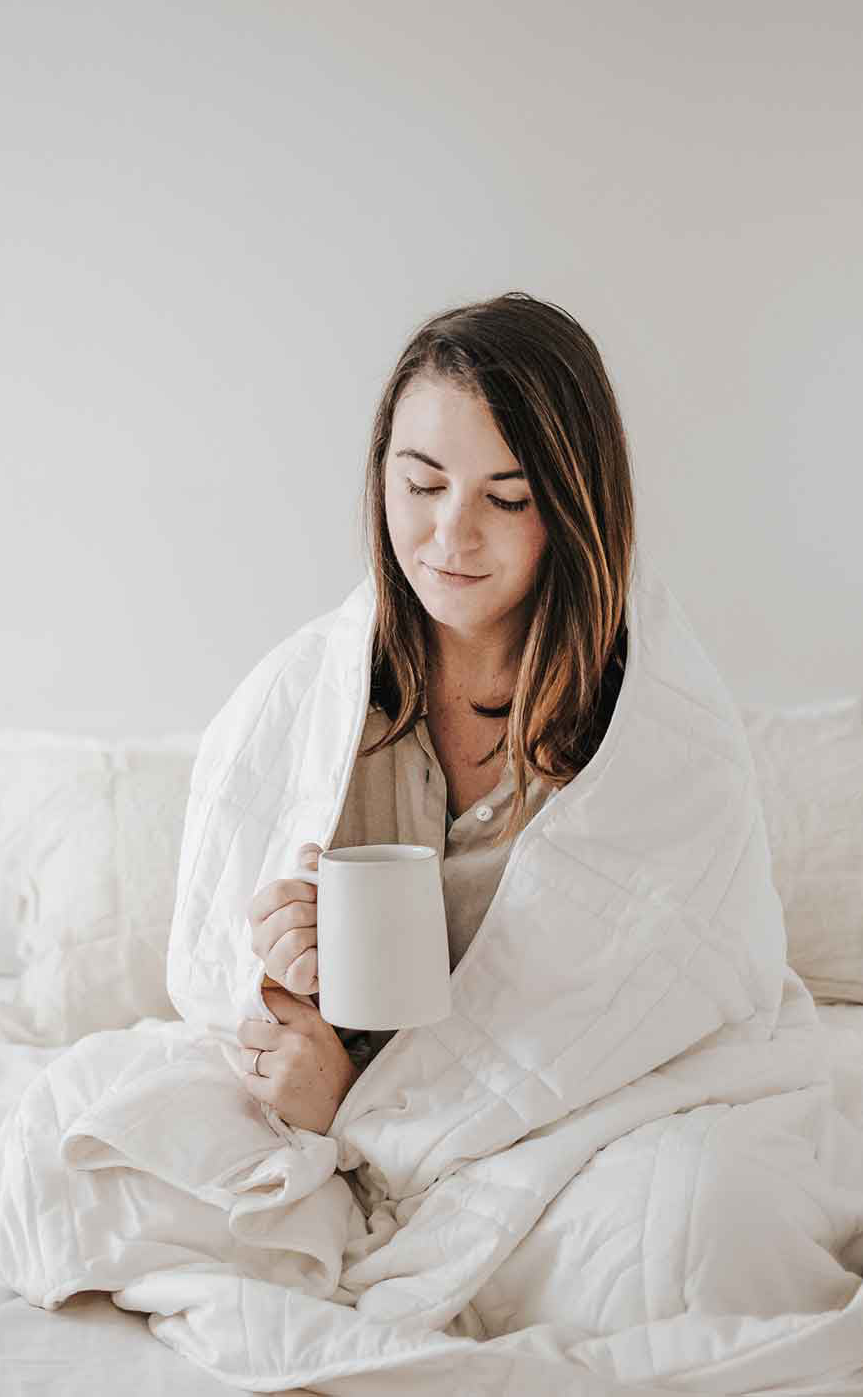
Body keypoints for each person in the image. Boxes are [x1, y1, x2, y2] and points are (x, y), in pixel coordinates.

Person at [233, 291, 633, 1136]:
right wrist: (284, 970)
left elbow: (656, 997)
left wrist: (362, 1111)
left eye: (510, 498)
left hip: (570, 1113)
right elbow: (216, 972)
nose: (452, 536)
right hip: (334, 1092)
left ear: (573, 513)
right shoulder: (312, 696)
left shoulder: (644, 720)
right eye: (422, 484)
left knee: (701, 1208)